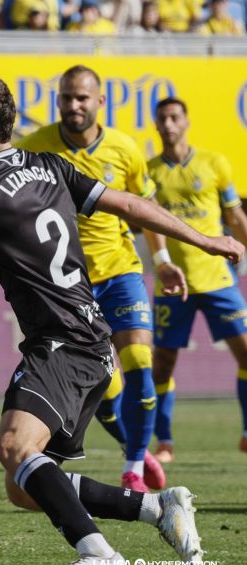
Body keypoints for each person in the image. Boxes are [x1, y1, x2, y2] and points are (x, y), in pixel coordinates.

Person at [0, 76, 239, 565]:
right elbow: (129, 205)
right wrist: (203, 239)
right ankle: (157, 508)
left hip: (62, 344)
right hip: (90, 338)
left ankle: (100, 556)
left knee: (14, 448)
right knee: (24, 486)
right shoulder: (50, 166)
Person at [17, 65, 167, 493]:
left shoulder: (125, 148)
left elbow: (144, 209)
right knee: (102, 385)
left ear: (100, 102)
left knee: (139, 363)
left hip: (120, 271)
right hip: (68, 286)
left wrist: (161, 258)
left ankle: (133, 467)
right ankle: (131, 444)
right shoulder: (35, 149)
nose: (74, 105)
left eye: (82, 98)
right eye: (66, 97)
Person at [147, 97, 247, 460]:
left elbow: (234, 217)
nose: (169, 124)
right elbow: (149, 224)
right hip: (174, 285)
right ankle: (164, 441)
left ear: (187, 121)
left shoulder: (213, 162)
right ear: (156, 125)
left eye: (175, 117)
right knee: (162, 363)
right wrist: (160, 262)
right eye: (162, 119)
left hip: (218, 279)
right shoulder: (150, 172)